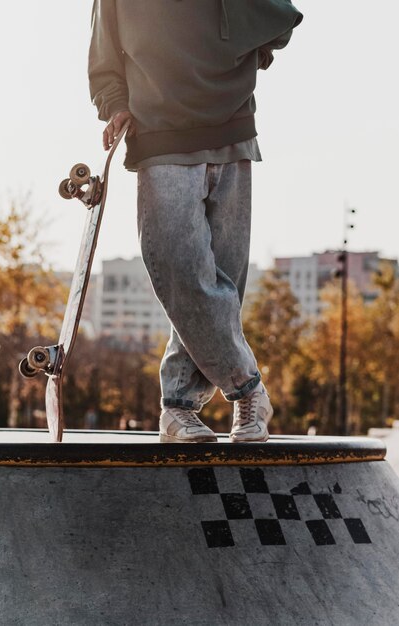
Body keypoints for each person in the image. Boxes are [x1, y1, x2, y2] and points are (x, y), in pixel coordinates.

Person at [88, 0, 303, 443]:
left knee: (219, 282)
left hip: (233, 132)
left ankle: (179, 406)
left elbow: (279, 20)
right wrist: (114, 105)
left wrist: (246, 51)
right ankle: (247, 386)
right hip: (160, 133)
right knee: (177, 266)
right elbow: (104, 58)